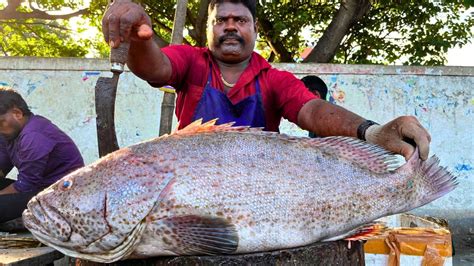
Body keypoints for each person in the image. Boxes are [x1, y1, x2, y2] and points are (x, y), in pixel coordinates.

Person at [101, 0, 431, 161]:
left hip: (259, 189)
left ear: (255, 29)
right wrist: (140, 39)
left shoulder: (273, 79)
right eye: (221, 20)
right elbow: (155, 69)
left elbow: (312, 110)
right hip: (191, 186)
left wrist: (372, 132)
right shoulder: (191, 61)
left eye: (240, 20)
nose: (230, 26)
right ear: (210, 30)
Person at [0, 87, 85, 223]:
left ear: (17, 113)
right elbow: (2, 164)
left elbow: (26, 185)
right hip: (37, 189)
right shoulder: (9, 133)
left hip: (60, 195)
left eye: (0, 122)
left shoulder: (34, 135)